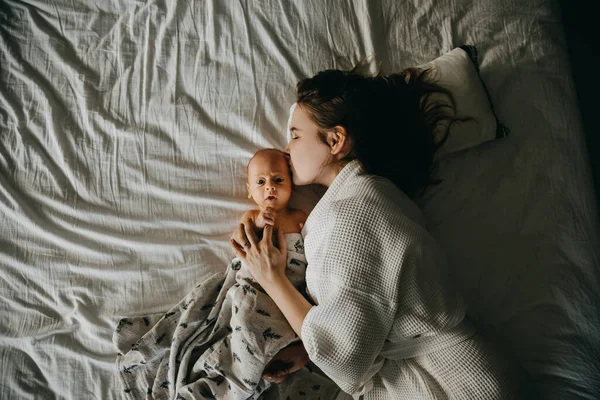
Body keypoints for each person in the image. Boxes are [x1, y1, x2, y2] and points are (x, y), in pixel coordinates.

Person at [230, 67, 523, 399]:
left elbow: (342, 352)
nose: (286, 148)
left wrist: (271, 277)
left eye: (296, 135)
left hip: (457, 382)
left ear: (336, 140)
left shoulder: (355, 213)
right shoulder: (367, 198)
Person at [114, 149, 343, 399]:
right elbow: (240, 239)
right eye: (261, 182)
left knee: (279, 330)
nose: (270, 188)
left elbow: (316, 245)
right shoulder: (254, 216)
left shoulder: (300, 217)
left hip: (289, 292)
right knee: (246, 319)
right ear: (249, 190)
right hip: (254, 288)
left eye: (278, 180)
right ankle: (246, 375)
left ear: (291, 185)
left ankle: (267, 364)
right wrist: (257, 225)